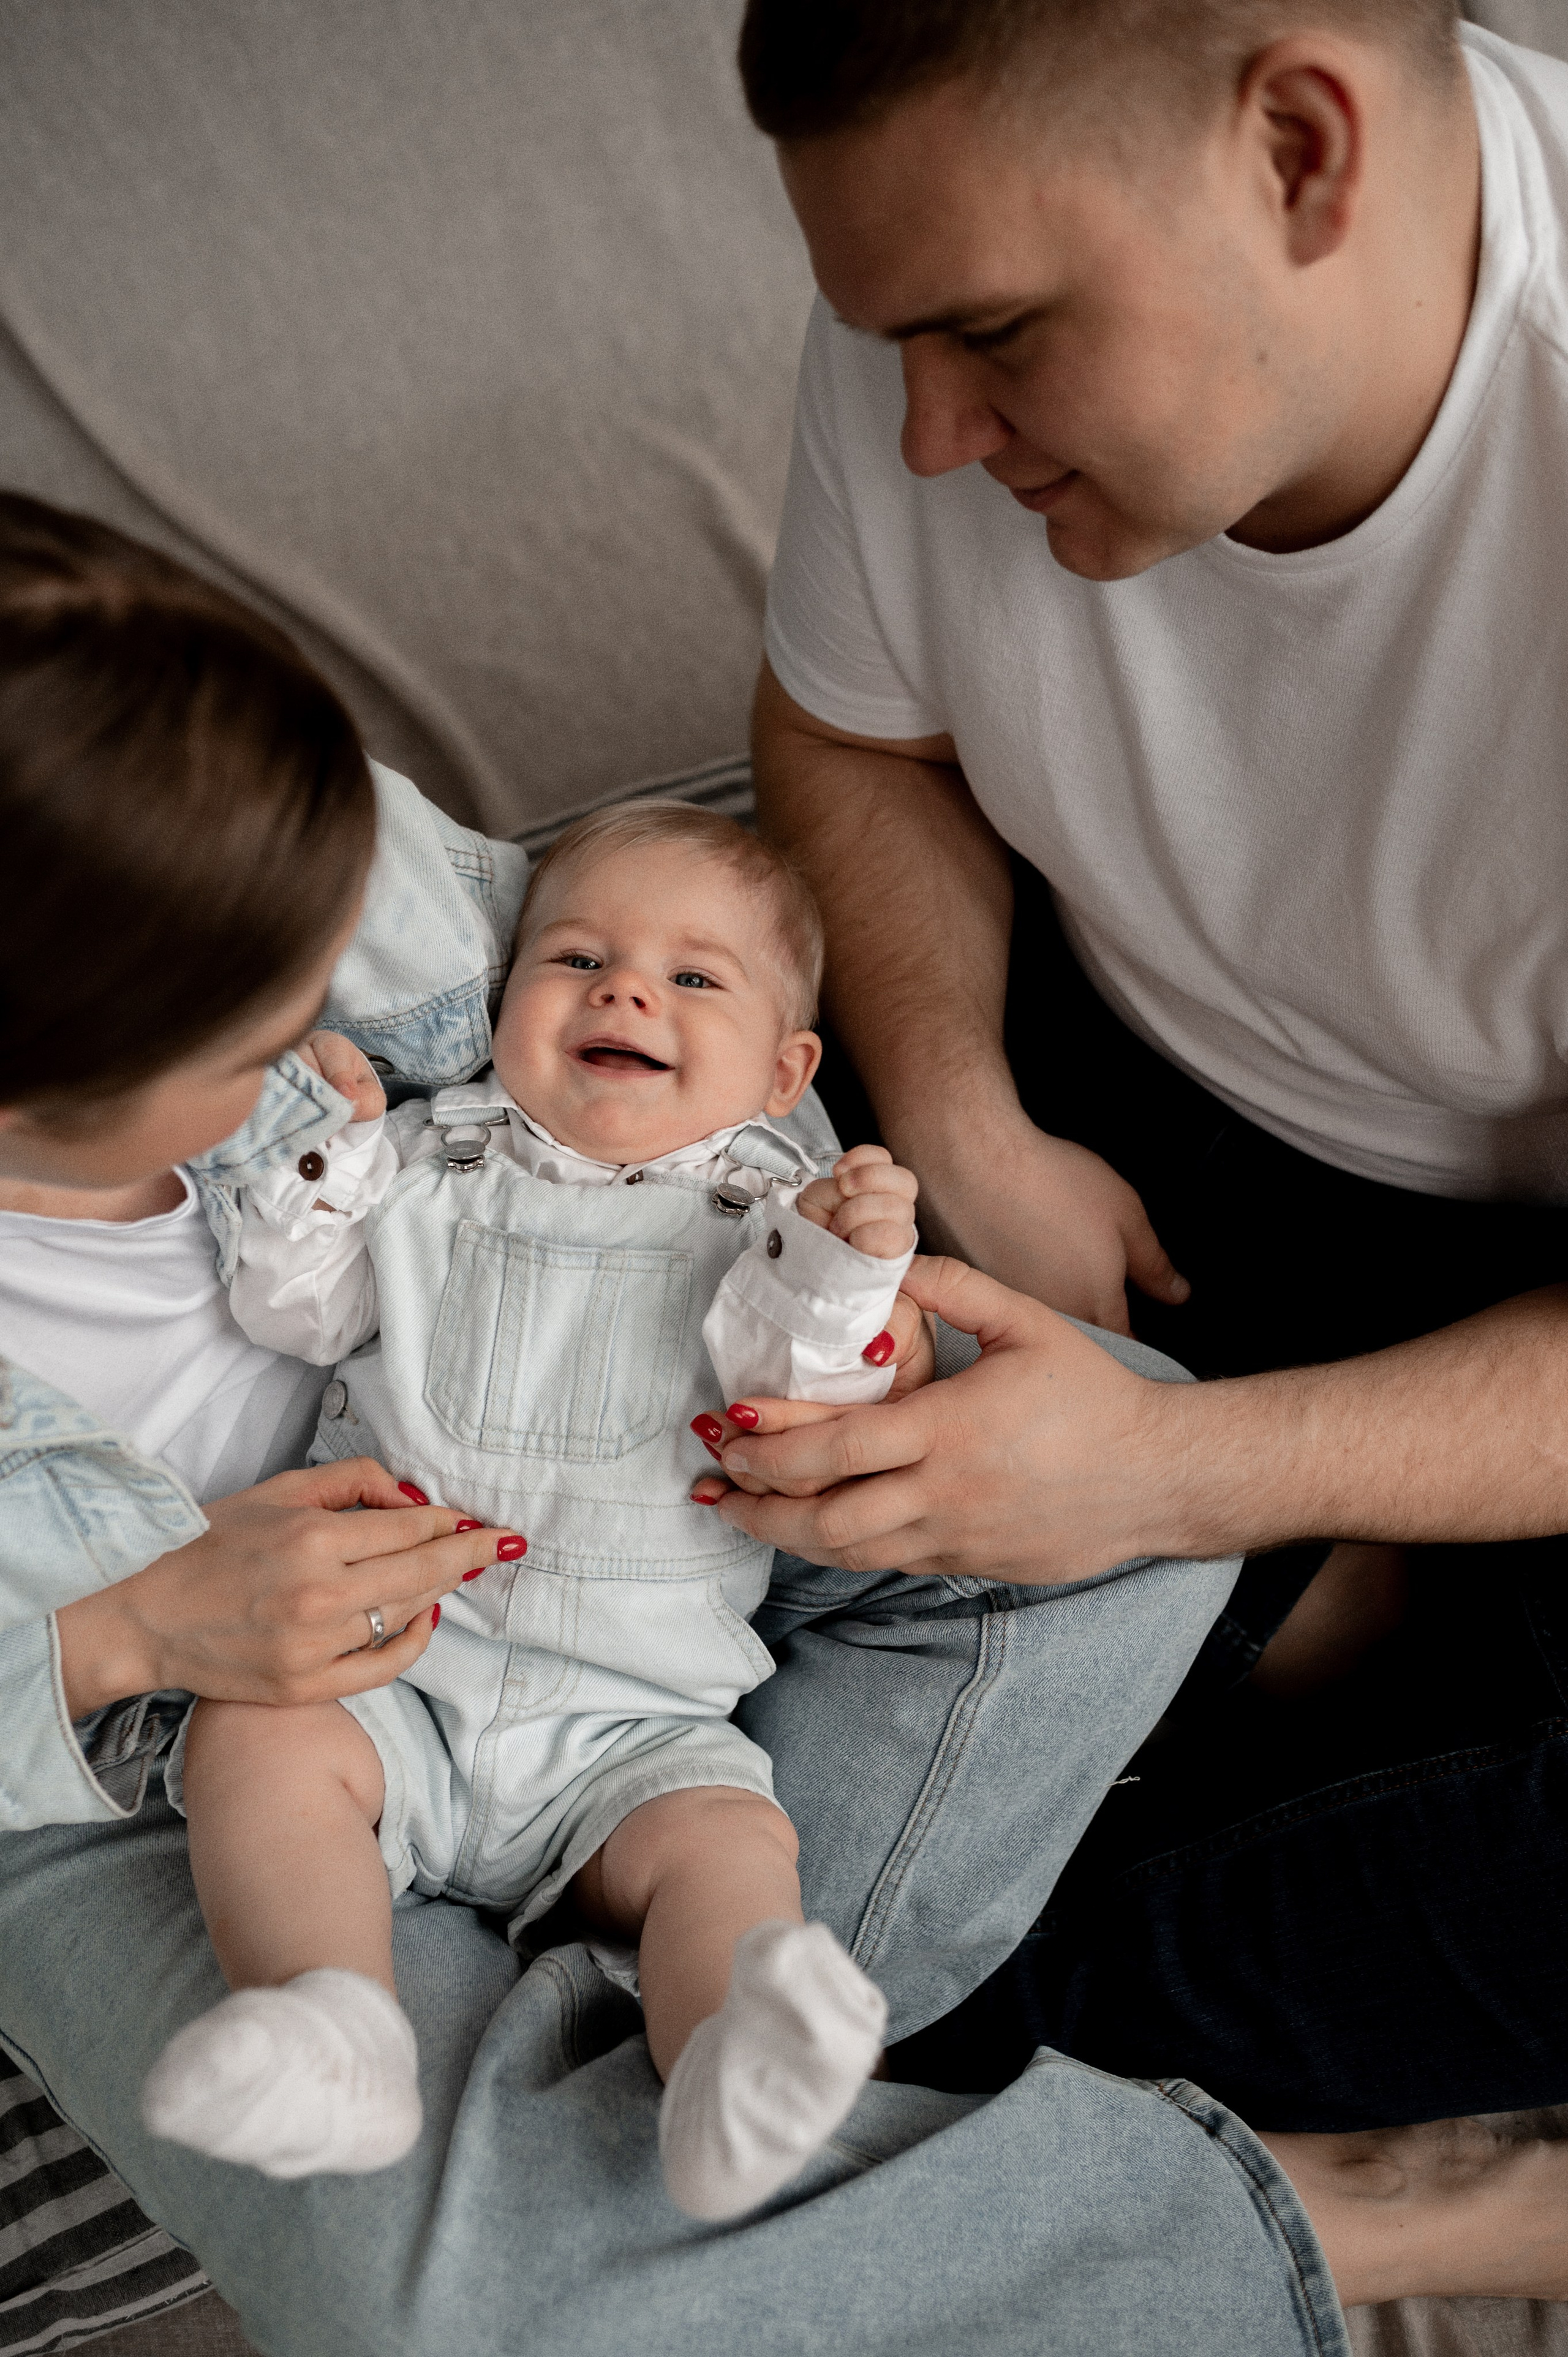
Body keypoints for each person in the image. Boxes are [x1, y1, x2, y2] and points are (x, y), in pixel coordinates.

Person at [4, 504, 1564, 2350]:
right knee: (446, 2308)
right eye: (232, 1037)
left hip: (631, 1532)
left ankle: (727, 2061)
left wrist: (831, 1308)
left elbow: (667, 999)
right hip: (174, 1719)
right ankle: (1283, 2200)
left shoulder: (175, 762)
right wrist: (123, 1634)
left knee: (1110, 1470)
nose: (308, 1035)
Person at [714, 0, 1568, 2129]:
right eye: (895, 341)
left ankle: (915, 2068)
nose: (929, 433)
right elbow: (852, 736)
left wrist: (1181, 1472)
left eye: (997, 337)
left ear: (1300, 151)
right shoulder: (939, 283)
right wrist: (967, 1110)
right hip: (1077, 1094)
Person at [143, 802, 924, 2219]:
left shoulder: (774, 1221)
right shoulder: (426, 1163)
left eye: (693, 977)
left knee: (726, 1849)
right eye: (575, 958)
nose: (625, 991)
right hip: (386, 1667)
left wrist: (841, 1272)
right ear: (503, 1007)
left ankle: (733, 2065)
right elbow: (294, 1311)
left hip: (636, 1722)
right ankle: (329, 2016)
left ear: (783, 1068)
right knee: (254, 1740)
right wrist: (315, 1148)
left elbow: (802, 1409)